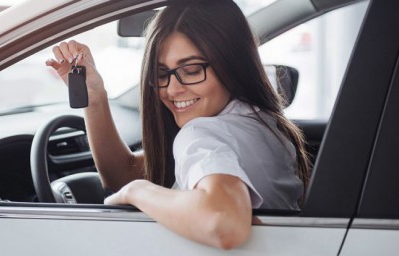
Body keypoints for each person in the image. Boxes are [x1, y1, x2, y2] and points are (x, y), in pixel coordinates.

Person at [45, 0, 311, 250]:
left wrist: (139, 192)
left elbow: (225, 222)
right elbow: (124, 174)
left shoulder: (201, 133)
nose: (172, 89)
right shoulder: (262, 121)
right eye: (162, 74)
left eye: (192, 70)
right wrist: (95, 100)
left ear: (231, 63)